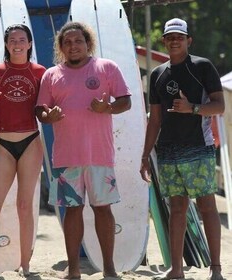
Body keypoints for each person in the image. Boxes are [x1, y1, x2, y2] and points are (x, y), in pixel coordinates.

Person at [35, 21, 131, 279]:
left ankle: (109, 269)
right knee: (72, 210)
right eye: (67, 42)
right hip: (66, 157)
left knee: (103, 209)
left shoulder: (107, 68)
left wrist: (108, 108)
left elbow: (125, 101)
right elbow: (40, 110)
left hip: (100, 155)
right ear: (61, 47)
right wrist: (48, 116)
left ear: (88, 43)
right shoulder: (51, 75)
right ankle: (74, 270)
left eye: (78, 41)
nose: (73, 45)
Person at [140, 18, 225, 280]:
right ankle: (176, 270)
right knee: (177, 209)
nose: (174, 40)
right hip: (167, 151)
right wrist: (145, 155)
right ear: (163, 41)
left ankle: (216, 269)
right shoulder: (157, 74)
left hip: (198, 148)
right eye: (170, 37)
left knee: (207, 207)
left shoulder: (202, 66)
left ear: (188, 40)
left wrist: (193, 109)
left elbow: (219, 107)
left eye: (180, 36)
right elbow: (154, 119)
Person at [0, 24, 46, 278]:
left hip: (30, 143)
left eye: (22, 40)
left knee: (24, 206)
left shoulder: (40, 72)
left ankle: (25, 266)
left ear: (29, 44)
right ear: (6, 44)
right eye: (12, 40)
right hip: (3, 145)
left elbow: (45, 109)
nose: (17, 44)